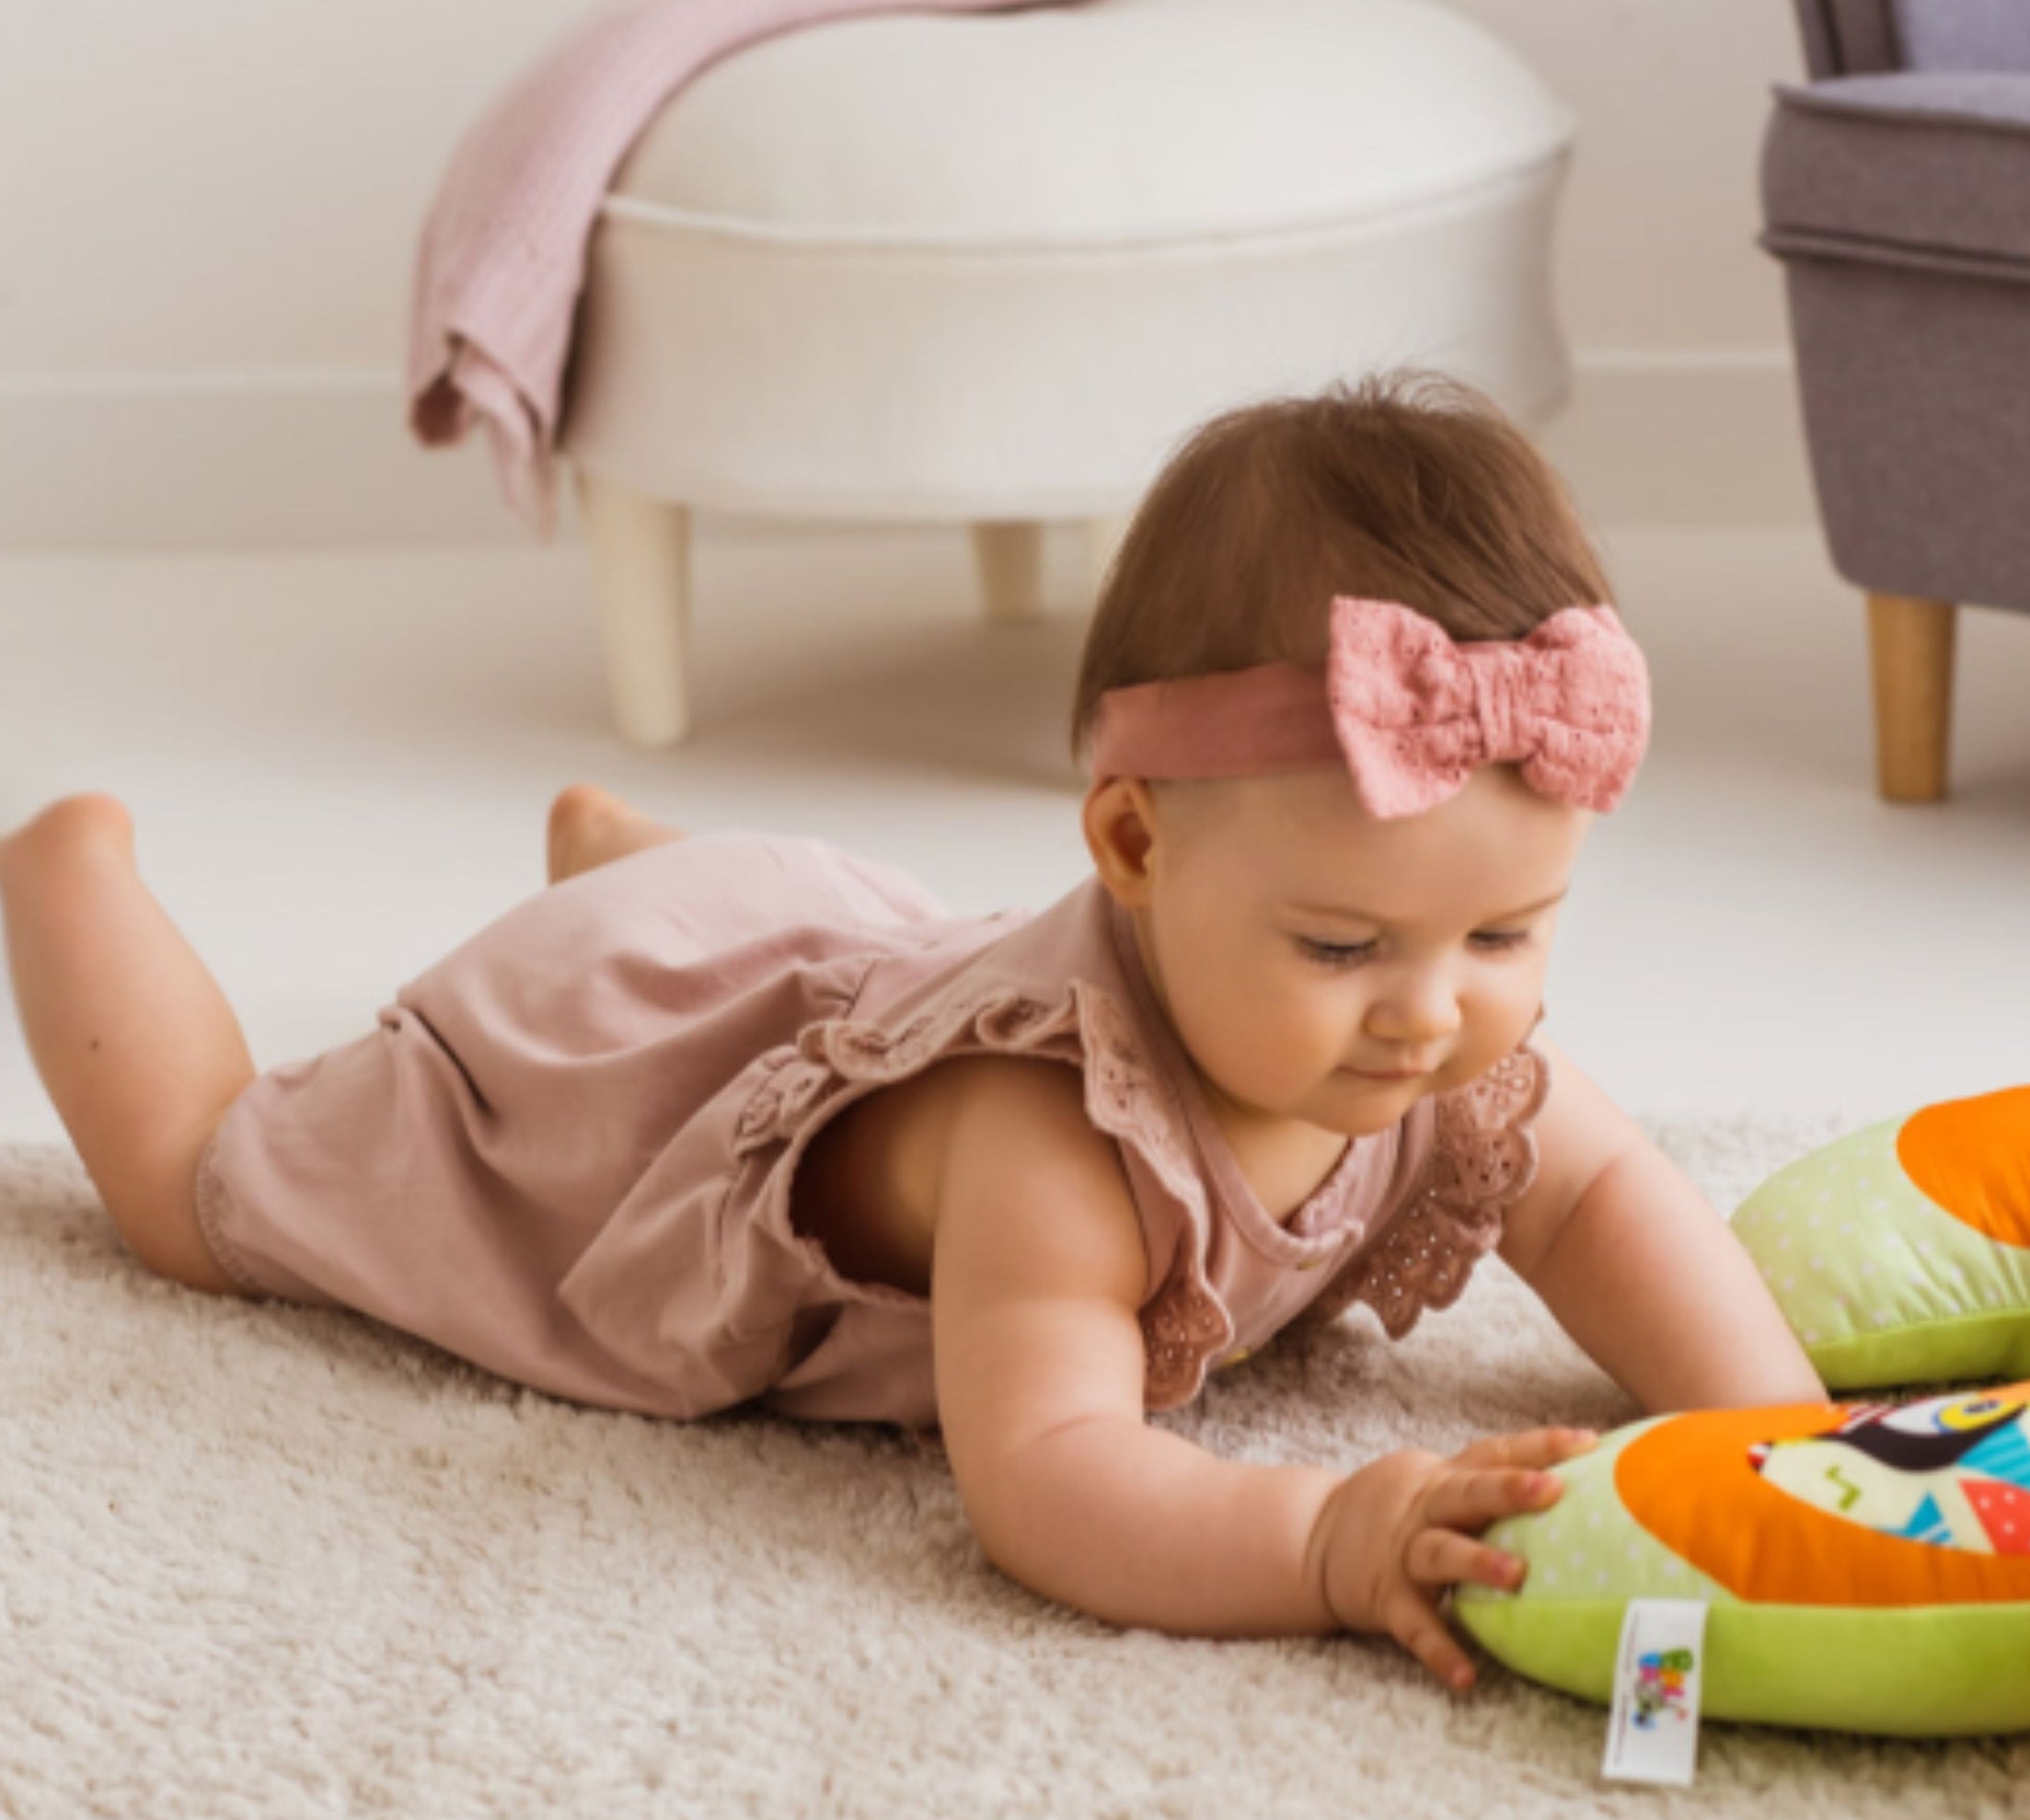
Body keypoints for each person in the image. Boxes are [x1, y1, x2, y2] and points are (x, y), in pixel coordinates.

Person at [0, 373, 1826, 1688]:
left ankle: (638, 863)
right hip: (616, 1097)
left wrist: (1788, 1441)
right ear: (1134, 849)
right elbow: (1047, 1478)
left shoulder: (1439, 1044)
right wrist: (1327, 1538)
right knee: (204, 1201)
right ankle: (69, 870)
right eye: (1344, 943)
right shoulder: (1048, 1143)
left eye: (1507, 932)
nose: (1432, 1010)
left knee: (781, 935)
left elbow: (1602, 1200)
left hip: (797, 936)